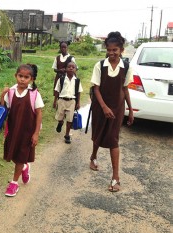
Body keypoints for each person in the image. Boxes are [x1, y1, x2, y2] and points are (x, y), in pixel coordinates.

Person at [90, 31, 134, 192]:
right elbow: (96, 89)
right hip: (100, 107)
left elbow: (126, 89)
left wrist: (130, 109)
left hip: (117, 109)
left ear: (121, 50)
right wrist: (104, 107)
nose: (111, 53)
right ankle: (93, 157)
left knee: (113, 139)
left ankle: (116, 178)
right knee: (98, 134)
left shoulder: (127, 67)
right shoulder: (100, 65)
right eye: (108, 50)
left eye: (115, 50)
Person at [0, 64, 44, 197]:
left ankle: (14, 183)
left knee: (20, 156)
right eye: (20, 76)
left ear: (31, 79)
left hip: (27, 133)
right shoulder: (11, 92)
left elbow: (39, 114)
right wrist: (2, 95)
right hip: (13, 131)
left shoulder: (34, 94)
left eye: (26, 77)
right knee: (14, 155)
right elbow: (4, 109)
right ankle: (24, 167)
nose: (22, 79)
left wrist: (36, 133)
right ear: (16, 76)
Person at [54, 61, 83, 144]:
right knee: (60, 117)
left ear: (75, 70)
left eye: (73, 67)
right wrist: (55, 101)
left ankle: (67, 135)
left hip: (72, 101)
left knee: (70, 120)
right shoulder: (62, 79)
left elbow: (78, 92)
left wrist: (78, 103)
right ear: (66, 69)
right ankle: (60, 123)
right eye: (69, 67)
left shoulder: (77, 81)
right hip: (62, 100)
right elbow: (57, 90)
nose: (71, 68)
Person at [52, 41, 76, 108]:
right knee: (57, 90)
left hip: (67, 78)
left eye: (65, 47)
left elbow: (75, 68)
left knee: (65, 91)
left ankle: (66, 105)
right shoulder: (57, 58)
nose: (63, 49)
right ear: (60, 48)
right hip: (58, 77)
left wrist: (67, 70)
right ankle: (56, 103)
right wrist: (60, 70)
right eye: (62, 47)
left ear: (67, 48)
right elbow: (54, 69)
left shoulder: (71, 58)